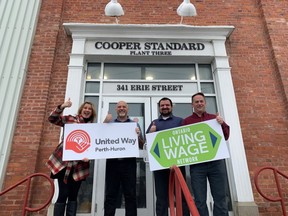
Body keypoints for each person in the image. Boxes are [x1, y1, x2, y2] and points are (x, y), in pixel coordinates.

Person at [182, 92, 230, 216]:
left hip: (216, 164)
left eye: (201, 101)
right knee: (199, 200)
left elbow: (226, 136)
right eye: (196, 102)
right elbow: (182, 143)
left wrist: (221, 123)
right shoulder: (186, 121)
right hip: (197, 166)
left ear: (205, 103)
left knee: (220, 198)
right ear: (192, 104)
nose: (199, 103)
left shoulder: (214, 118)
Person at [46, 99, 96, 216]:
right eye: (85, 108)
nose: (87, 110)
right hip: (64, 163)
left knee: (73, 196)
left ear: (92, 113)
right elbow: (52, 119)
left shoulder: (93, 128)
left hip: (79, 166)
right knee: (63, 194)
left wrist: (90, 156)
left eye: (89, 109)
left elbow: (94, 147)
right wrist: (63, 106)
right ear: (81, 110)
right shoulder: (71, 120)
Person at [146, 97, 190, 216]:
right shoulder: (154, 123)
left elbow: (187, 140)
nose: (164, 107)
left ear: (171, 106)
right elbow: (147, 143)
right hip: (160, 167)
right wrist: (151, 133)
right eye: (162, 105)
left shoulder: (180, 121)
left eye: (167, 105)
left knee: (181, 196)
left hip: (177, 166)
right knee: (161, 197)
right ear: (159, 107)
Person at [103, 100, 144, 216]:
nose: (121, 108)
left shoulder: (134, 125)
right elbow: (99, 139)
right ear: (116, 109)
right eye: (119, 107)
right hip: (112, 163)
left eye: (124, 107)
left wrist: (138, 136)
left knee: (130, 195)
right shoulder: (109, 124)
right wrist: (104, 123)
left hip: (129, 163)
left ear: (127, 109)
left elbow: (142, 145)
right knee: (111, 194)